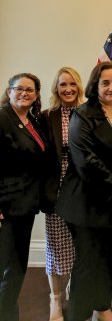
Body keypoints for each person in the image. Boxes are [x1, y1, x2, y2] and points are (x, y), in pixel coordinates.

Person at [56, 61, 112, 321]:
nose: (111, 87)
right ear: (96, 84)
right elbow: (85, 159)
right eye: (105, 82)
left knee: (107, 258)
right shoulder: (83, 114)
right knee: (88, 264)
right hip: (87, 202)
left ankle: (102, 308)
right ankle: (78, 316)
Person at [0, 73, 51, 321]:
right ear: (8, 91)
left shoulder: (33, 121)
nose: (24, 93)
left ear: (37, 95)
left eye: (30, 90)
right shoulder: (1, 118)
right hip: (5, 207)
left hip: (25, 206)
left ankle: (8, 312)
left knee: (17, 266)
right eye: (19, 88)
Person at [42, 67, 84, 321]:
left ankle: (74, 288)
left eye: (72, 84)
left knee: (81, 245)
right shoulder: (47, 116)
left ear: (79, 86)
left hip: (82, 191)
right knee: (56, 247)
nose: (67, 89)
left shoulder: (89, 114)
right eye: (62, 84)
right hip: (56, 190)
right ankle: (55, 298)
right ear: (56, 88)